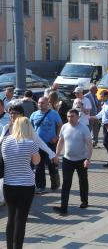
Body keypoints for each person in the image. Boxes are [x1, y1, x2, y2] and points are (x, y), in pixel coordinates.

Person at [1, 117, 40, 249]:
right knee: (21, 219)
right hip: (26, 185)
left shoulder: (5, 142)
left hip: (8, 184)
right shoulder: (31, 143)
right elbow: (36, 162)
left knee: (11, 217)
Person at [53, 109, 92, 215]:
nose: (70, 118)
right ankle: (63, 207)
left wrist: (88, 159)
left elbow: (89, 144)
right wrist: (56, 155)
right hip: (67, 160)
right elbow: (60, 142)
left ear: (78, 117)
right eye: (68, 116)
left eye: (72, 116)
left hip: (81, 160)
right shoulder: (64, 127)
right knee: (66, 183)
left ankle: (84, 201)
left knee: (83, 181)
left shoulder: (84, 128)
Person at [30, 97, 62, 194]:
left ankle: (55, 185)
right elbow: (30, 128)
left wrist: (57, 137)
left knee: (52, 165)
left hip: (50, 144)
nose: (40, 104)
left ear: (47, 103)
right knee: (39, 167)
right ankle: (41, 186)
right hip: (37, 145)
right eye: (39, 103)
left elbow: (60, 124)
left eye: (42, 103)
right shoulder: (34, 114)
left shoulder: (54, 114)